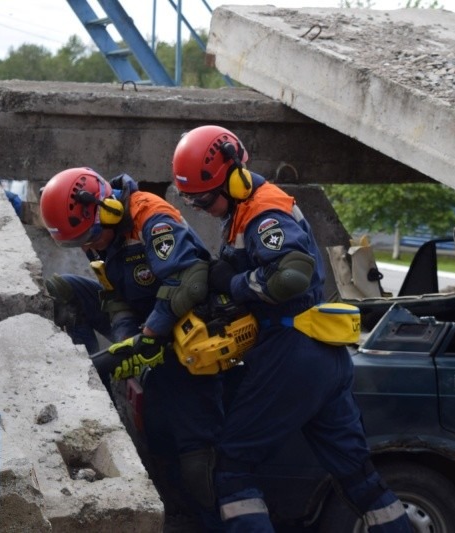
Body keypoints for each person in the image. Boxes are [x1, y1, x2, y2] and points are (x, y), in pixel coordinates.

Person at [171, 125, 413, 532]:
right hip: (322, 355)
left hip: (291, 351)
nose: (202, 207)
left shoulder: (264, 212)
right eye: (193, 202)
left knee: (233, 468)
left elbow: (291, 276)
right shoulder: (245, 209)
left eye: (206, 198)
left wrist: (232, 284)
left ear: (232, 177)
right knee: (358, 477)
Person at [38, 167, 225, 530]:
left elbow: (190, 279)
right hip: (144, 326)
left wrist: (150, 335)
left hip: (182, 331)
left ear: (106, 208)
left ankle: (206, 520)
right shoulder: (102, 236)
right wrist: (126, 340)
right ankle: (95, 394)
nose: (91, 245)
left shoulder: (152, 221)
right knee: (64, 290)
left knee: (194, 460)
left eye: (91, 235)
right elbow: (116, 296)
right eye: (81, 241)